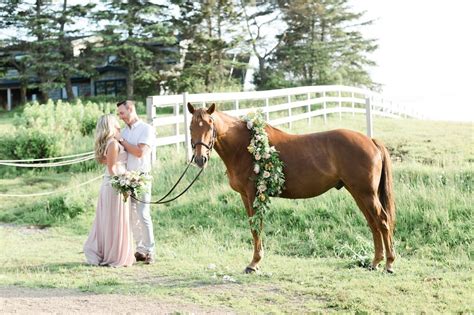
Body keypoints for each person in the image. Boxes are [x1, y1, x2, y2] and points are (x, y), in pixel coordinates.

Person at [83, 114, 135, 267]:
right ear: (110, 126)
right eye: (115, 123)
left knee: (116, 219)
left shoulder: (115, 141)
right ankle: (114, 255)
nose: (118, 125)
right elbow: (112, 168)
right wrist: (122, 184)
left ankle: (116, 252)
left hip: (116, 181)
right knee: (115, 219)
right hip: (114, 185)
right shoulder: (112, 143)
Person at [116, 100, 156, 264]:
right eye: (119, 114)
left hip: (142, 177)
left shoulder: (146, 129)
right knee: (132, 216)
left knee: (143, 214)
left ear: (131, 109)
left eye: (122, 113)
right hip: (126, 177)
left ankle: (150, 250)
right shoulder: (124, 132)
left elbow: (140, 152)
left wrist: (122, 141)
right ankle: (139, 249)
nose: (120, 116)